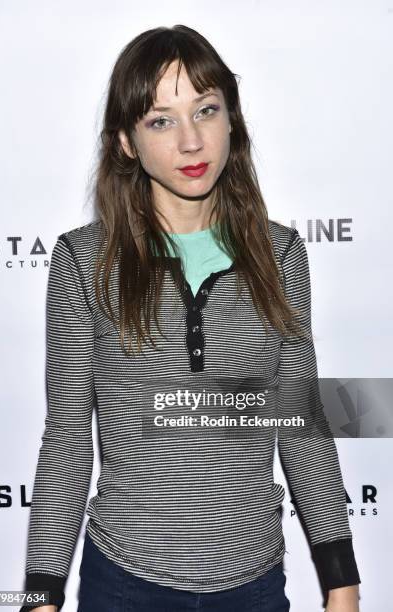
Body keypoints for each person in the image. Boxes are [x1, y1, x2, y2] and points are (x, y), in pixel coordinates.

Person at [19, 25, 361, 612]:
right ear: (126, 141)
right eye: (160, 120)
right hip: (122, 585)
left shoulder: (279, 254)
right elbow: (69, 436)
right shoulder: (82, 259)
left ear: (233, 120)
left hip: (253, 587)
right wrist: (39, 598)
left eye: (206, 109)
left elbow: (301, 421)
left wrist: (342, 585)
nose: (191, 141)